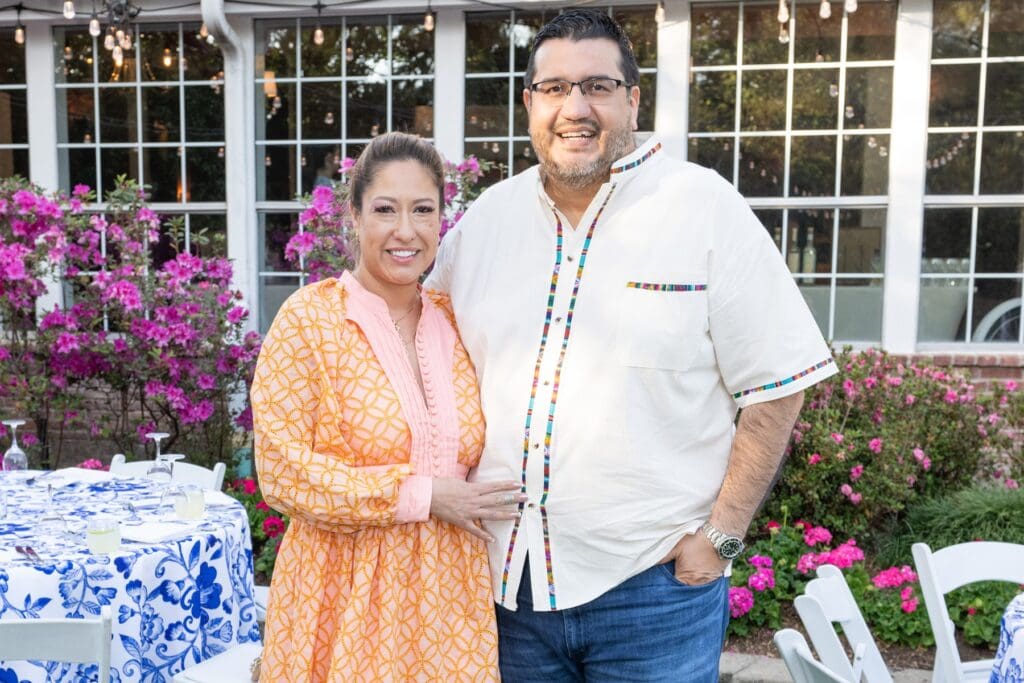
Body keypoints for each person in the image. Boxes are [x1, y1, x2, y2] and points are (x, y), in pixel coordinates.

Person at [425, 9, 838, 682]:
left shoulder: (704, 208)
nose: (575, 108)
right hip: (503, 591)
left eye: (598, 86)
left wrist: (723, 536)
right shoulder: (483, 225)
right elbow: (417, 357)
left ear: (633, 99)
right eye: (554, 88)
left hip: (654, 590)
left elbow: (778, 382)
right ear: (530, 101)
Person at [251, 132, 522, 682]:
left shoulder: (456, 320)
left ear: (443, 218)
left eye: (423, 210)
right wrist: (419, 494)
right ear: (353, 215)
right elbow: (281, 471)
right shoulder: (311, 320)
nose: (406, 231)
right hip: (341, 594)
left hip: (450, 599)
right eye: (385, 210)